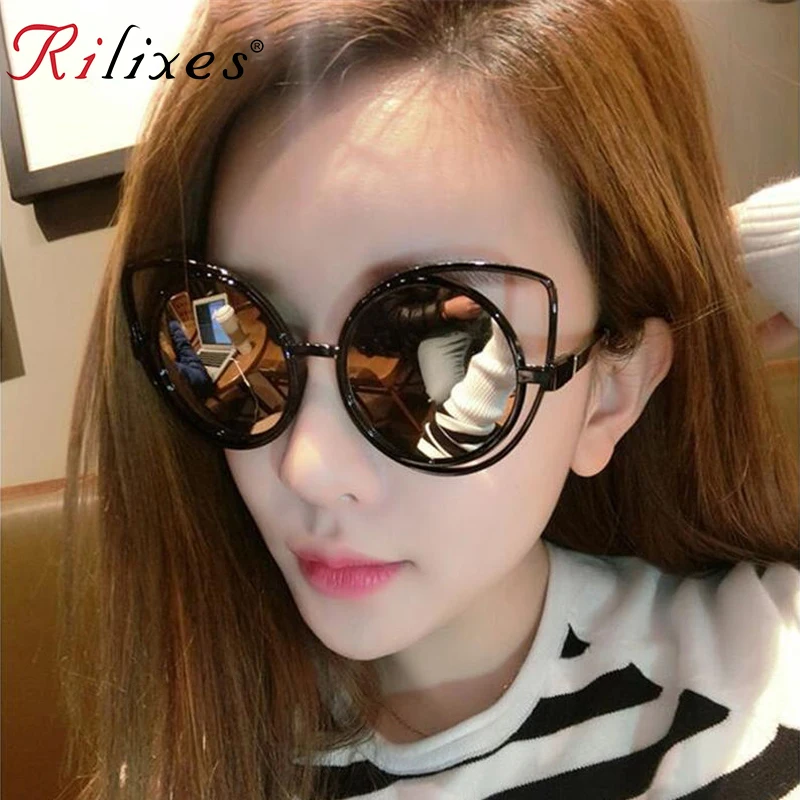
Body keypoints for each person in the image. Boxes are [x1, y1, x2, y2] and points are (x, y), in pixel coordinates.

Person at [58, 2, 799, 799]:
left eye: (440, 356)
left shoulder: (766, 665)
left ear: (610, 393)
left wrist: (716, 259)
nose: (308, 468)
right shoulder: (186, 759)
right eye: (235, 338)